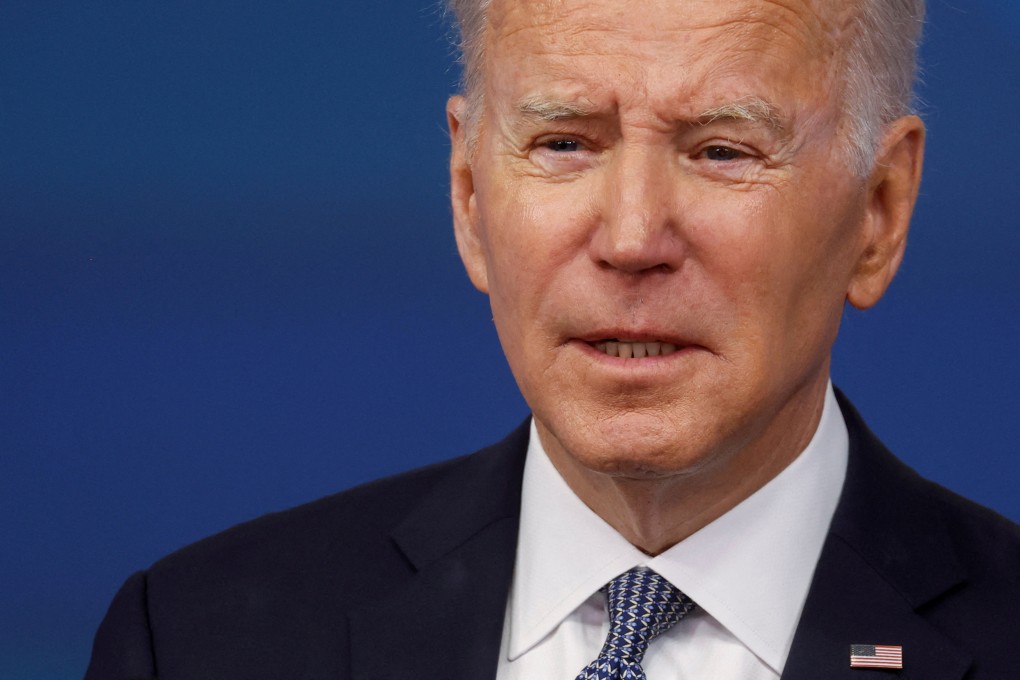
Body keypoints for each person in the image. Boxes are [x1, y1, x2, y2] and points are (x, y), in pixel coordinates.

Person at [85, 0, 1020, 678]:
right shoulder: (194, 642)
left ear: (879, 211)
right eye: (565, 143)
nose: (631, 239)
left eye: (721, 151)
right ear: (467, 194)